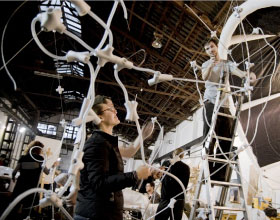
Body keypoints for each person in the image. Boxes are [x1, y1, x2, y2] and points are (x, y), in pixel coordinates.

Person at [74, 95, 152, 220]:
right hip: (97, 213)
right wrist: (135, 175)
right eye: (110, 108)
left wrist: (142, 136)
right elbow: (99, 183)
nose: (115, 111)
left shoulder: (106, 142)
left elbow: (129, 151)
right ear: (99, 116)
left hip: (102, 212)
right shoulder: (97, 143)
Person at [201, 38, 255, 181]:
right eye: (207, 49)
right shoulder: (206, 64)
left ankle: (218, 175)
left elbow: (239, 72)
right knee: (209, 137)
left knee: (227, 139)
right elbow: (204, 77)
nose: (210, 50)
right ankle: (208, 172)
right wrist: (211, 66)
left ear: (217, 47)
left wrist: (248, 74)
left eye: (211, 47)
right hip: (210, 102)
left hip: (223, 104)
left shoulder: (226, 64)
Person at [10, 140, 58, 218]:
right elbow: (47, 172)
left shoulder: (23, 157)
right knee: (27, 207)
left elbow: (14, 172)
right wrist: (53, 165)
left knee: (15, 204)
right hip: (31, 186)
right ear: (38, 149)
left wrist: (13, 178)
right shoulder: (40, 159)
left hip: (20, 183)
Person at [155, 148, 190, 220]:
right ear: (183, 155)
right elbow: (184, 185)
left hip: (169, 198)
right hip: (176, 199)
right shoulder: (185, 167)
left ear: (173, 154)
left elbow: (163, 179)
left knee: (160, 218)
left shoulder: (168, 163)